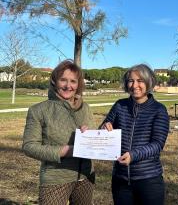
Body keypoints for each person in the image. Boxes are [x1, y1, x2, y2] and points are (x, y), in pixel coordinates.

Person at [23, 59, 95, 205]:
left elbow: (94, 142)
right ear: (55, 81)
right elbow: (29, 146)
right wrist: (65, 151)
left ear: (78, 84)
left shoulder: (85, 107)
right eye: (63, 80)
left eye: (73, 81)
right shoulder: (38, 110)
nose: (68, 86)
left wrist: (91, 135)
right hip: (55, 178)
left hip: (86, 176)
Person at [101, 64, 169, 205]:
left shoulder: (159, 110)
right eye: (131, 81)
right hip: (121, 180)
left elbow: (157, 144)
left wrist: (133, 155)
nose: (135, 85)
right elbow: (104, 129)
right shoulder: (120, 105)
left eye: (140, 81)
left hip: (149, 180)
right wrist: (103, 129)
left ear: (149, 82)